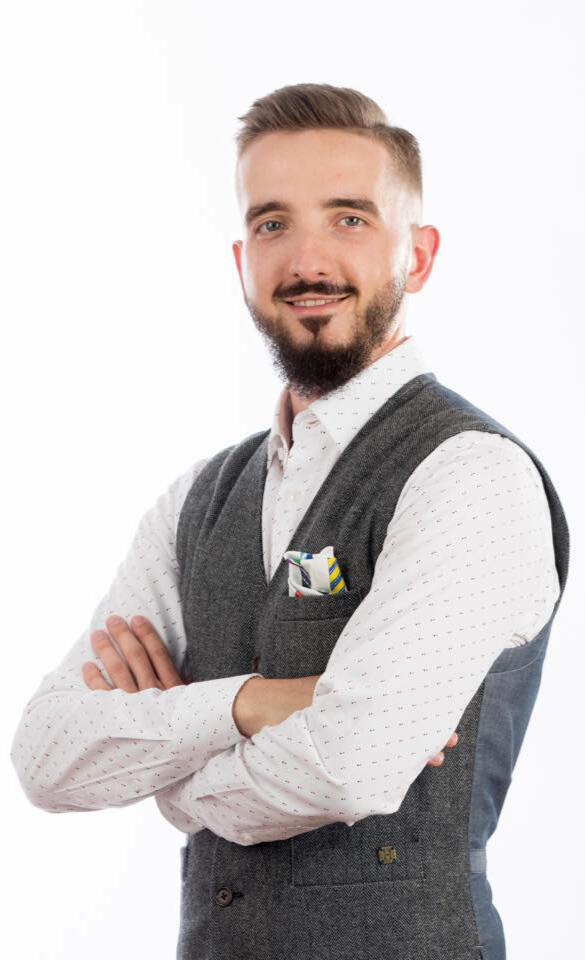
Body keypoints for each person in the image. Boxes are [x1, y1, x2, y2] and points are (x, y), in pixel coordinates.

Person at [11, 83, 569, 960]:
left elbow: (347, 764)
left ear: (417, 256)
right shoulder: (198, 498)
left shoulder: (469, 473)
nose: (307, 259)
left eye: (349, 219)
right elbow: (47, 758)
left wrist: (172, 782)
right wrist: (250, 703)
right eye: (273, 224)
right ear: (242, 260)